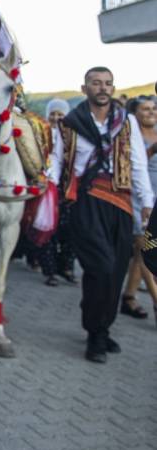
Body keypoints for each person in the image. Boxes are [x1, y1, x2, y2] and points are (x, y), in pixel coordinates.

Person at [49, 67, 154, 363]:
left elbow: (137, 165)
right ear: (85, 88)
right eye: (96, 83)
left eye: (108, 83)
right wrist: (47, 190)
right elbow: (58, 161)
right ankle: (94, 334)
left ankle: (103, 328)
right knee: (101, 268)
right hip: (85, 202)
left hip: (121, 204)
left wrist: (147, 202)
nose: (103, 88)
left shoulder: (128, 121)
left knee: (117, 271)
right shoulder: (69, 123)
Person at [121, 96, 157, 321]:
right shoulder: (131, 135)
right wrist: (152, 150)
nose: (151, 113)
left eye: (153, 108)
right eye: (145, 109)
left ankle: (129, 297)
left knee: (139, 253)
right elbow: (130, 162)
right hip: (140, 200)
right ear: (135, 114)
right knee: (146, 247)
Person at [37, 99, 77, 287]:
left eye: (60, 114)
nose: (56, 118)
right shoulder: (42, 133)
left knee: (71, 230)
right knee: (48, 229)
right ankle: (50, 270)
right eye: (53, 114)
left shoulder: (72, 134)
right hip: (48, 185)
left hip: (68, 186)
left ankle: (66, 267)